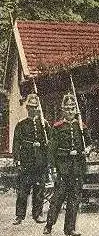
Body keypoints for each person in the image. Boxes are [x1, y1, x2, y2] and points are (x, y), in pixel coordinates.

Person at [43, 93, 88, 236]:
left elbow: (89, 143)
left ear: (76, 109)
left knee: (74, 199)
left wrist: (85, 146)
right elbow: (51, 150)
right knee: (57, 198)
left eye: (72, 108)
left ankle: (70, 228)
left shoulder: (80, 126)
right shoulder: (57, 127)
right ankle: (49, 225)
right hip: (63, 167)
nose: (70, 111)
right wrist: (53, 169)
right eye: (67, 108)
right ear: (63, 110)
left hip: (77, 167)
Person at [12, 93, 51, 225]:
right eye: (31, 107)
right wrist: (17, 159)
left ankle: (37, 214)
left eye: (35, 107)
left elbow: (50, 142)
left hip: (40, 161)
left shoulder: (44, 125)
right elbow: (16, 143)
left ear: (38, 108)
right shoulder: (21, 124)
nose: (33, 109)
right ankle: (19, 216)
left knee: (39, 189)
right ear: (27, 108)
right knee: (23, 190)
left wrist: (46, 146)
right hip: (26, 161)